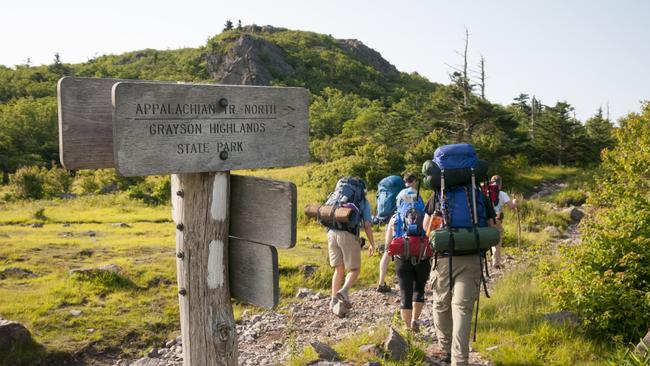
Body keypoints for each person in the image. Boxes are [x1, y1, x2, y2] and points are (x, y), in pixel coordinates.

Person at [424, 188, 498, 365]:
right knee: (462, 310)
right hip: (472, 258)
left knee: (441, 304)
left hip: (443, 259)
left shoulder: (438, 194)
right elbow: (494, 228)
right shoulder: (479, 195)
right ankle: (460, 360)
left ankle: (445, 347)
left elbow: (426, 228)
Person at [384, 189, 431, 331]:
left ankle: (407, 328)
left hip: (402, 258)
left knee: (405, 293)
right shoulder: (426, 216)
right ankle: (415, 320)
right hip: (423, 255)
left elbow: (388, 244)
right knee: (419, 289)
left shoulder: (395, 218)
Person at [328, 181, 376, 312]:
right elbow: (367, 225)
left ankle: (333, 301)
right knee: (355, 269)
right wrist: (372, 243)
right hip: (348, 235)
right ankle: (344, 291)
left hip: (331, 233)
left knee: (339, 269)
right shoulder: (363, 202)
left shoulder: (337, 197)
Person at [377, 172, 418, 293]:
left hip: (393, 220)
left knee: (387, 250)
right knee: (411, 249)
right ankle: (412, 282)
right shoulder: (414, 193)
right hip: (408, 224)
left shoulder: (399, 193)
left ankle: (381, 282)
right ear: (414, 181)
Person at [489, 175, 517, 269]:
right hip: (495, 219)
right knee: (497, 238)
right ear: (500, 184)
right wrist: (514, 202)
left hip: (482, 218)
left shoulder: (485, 192)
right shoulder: (502, 194)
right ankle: (496, 262)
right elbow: (511, 206)